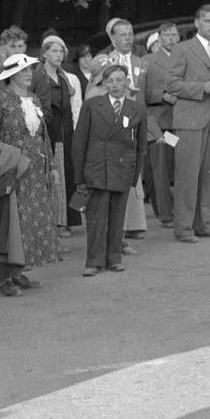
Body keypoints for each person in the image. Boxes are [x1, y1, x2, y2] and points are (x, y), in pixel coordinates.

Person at [0, 54, 60, 293]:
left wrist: (52, 167)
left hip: (35, 173)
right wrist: (9, 154)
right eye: (23, 71)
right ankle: (4, 278)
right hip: (12, 171)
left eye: (30, 70)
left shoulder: (34, 99)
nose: (29, 74)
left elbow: (43, 136)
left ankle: (18, 272)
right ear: (11, 75)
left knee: (28, 223)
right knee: (10, 222)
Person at [73, 65, 149, 276]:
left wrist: (134, 176)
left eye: (120, 80)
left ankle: (114, 258)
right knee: (96, 218)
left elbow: (141, 146)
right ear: (105, 83)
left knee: (117, 217)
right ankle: (93, 262)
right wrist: (79, 176)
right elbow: (79, 142)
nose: (115, 85)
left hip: (123, 170)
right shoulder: (91, 105)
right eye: (111, 80)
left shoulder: (137, 109)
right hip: (97, 169)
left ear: (127, 83)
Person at [166, 4, 210, 243]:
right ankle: (183, 228)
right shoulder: (183, 49)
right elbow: (171, 84)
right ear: (196, 23)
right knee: (187, 174)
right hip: (190, 119)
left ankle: (203, 224)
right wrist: (203, 88)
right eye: (208, 21)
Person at [39, 35, 79, 237]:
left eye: (61, 51)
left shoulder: (64, 78)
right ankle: (54, 221)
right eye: (54, 51)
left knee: (66, 178)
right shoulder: (39, 77)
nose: (58, 54)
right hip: (49, 134)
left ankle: (65, 219)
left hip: (65, 133)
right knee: (54, 179)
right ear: (44, 53)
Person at [143, 23, 180, 227]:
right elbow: (143, 93)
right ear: (159, 38)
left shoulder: (185, 57)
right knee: (161, 168)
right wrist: (162, 95)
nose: (171, 39)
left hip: (182, 121)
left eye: (174, 35)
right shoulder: (148, 61)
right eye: (166, 35)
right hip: (161, 124)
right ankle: (165, 213)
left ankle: (179, 209)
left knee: (179, 166)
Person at [0, 26, 51, 121]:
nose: (17, 50)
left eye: (20, 46)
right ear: (3, 48)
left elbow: (45, 113)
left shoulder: (38, 77)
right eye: (12, 46)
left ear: (25, 47)